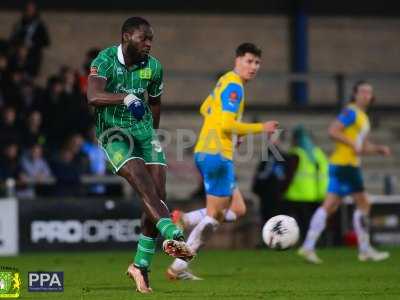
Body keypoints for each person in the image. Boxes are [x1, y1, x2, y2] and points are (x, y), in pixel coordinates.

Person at [86, 17, 194, 293]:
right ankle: (173, 233)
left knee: (158, 193)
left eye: (151, 40)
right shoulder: (105, 60)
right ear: (126, 37)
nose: (148, 44)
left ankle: (140, 265)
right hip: (113, 133)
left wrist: (152, 135)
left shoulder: (154, 67)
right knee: (139, 177)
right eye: (143, 38)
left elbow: (155, 102)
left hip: (144, 132)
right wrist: (125, 98)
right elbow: (93, 95)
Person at [167, 43, 278, 280]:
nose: (253, 67)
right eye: (249, 61)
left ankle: (184, 219)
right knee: (214, 218)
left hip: (209, 152)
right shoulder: (235, 87)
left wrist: (230, 134)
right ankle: (178, 266)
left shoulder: (225, 80)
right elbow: (227, 123)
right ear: (237, 60)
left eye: (257, 63)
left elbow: (205, 108)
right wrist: (261, 127)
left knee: (238, 209)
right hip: (217, 155)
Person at [298, 81, 391, 264]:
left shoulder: (362, 117)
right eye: (362, 91)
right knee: (364, 204)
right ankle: (364, 249)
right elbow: (333, 131)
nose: (366, 95)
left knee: (330, 205)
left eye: (369, 92)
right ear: (354, 94)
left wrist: (378, 149)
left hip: (341, 165)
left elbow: (360, 145)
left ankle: (308, 247)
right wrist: (352, 144)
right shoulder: (351, 112)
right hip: (346, 165)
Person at [282, 125, 328, 241]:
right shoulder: (319, 154)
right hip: (316, 195)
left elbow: (289, 176)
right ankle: (315, 244)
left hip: (296, 195)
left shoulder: (296, 154)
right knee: (312, 224)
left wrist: (282, 191)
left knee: (297, 225)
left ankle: (298, 244)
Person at [9, 1, 50, 77]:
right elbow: (12, 39)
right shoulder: (19, 25)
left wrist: (32, 44)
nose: (28, 12)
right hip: (18, 57)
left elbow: (46, 42)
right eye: (27, 10)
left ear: (35, 11)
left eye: (31, 10)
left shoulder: (39, 26)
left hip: (32, 58)